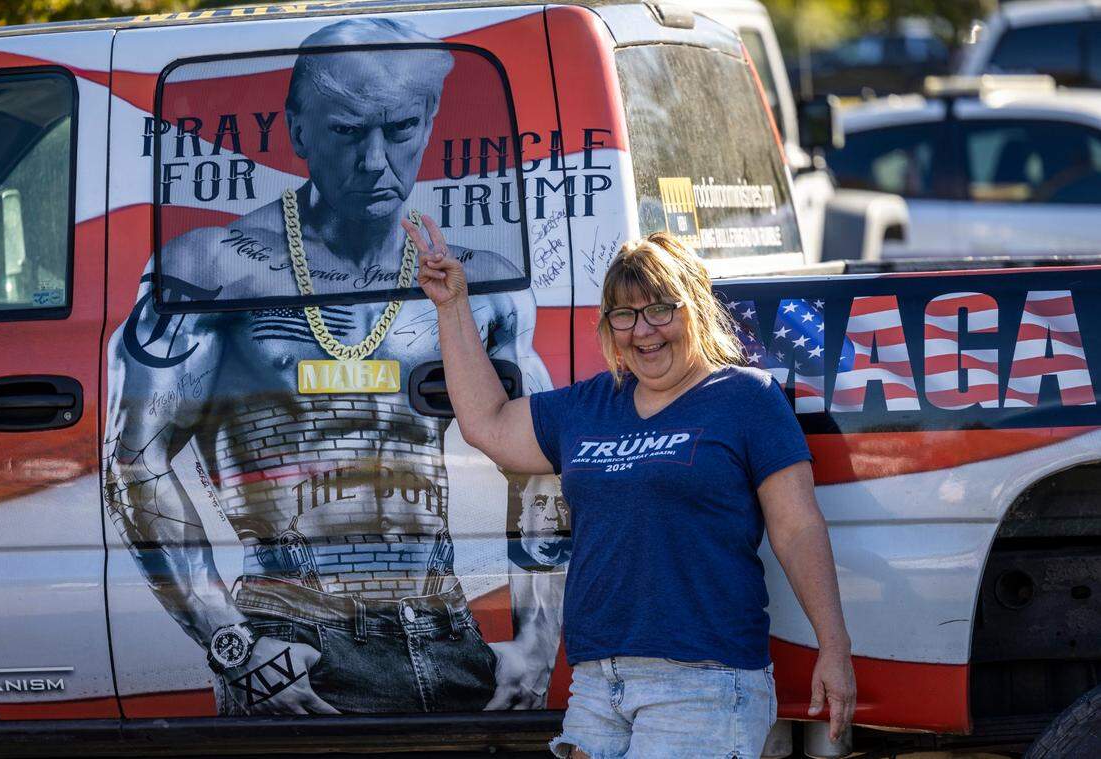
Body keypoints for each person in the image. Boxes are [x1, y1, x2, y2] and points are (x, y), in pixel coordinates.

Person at [104, 17, 567, 716]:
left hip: (448, 636)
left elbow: (536, 454)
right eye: (349, 132)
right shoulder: (212, 271)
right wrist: (230, 641)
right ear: (297, 128)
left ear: (431, 118)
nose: (377, 161)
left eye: (401, 128)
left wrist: (536, 640)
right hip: (292, 638)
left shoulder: (482, 282)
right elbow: (133, 459)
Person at [404, 218, 857, 757]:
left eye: (659, 308)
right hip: (598, 685)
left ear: (693, 307)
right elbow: (487, 423)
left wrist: (834, 647)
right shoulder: (592, 403)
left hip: (704, 684)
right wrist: (452, 306)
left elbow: (797, 527)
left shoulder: (746, 398)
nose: (643, 330)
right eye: (625, 314)